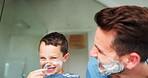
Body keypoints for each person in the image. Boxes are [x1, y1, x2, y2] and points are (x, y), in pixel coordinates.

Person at [86, 6, 148, 78]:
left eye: (101, 51)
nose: (91, 54)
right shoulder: (94, 68)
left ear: (131, 60)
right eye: (95, 46)